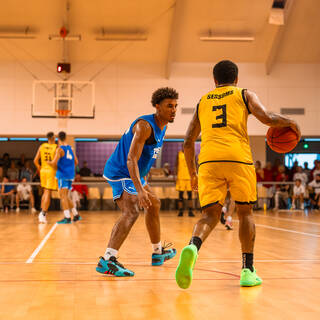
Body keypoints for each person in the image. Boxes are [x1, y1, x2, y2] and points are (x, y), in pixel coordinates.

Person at [175, 60, 300, 289]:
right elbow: (266, 118)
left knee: (210, 216)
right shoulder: (243, 94)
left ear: (214, 81)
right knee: (245, 213)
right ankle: (247, 270)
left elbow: (187, 142)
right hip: (237, 157)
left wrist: (193, 174)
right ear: (236, 79)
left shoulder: (203, 101)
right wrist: (291, 122)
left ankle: (193, 246)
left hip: (209, 160)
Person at [97, 87, 178, 277]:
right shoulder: (145, 126)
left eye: (175, 106)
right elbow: (131, 159)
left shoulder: (163, 125)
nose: (173, 110)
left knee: (154, 204)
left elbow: (145, 157)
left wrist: (143, 181)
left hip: (136, 174)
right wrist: (140, 190)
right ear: (157, 107)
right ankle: (107, 260)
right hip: (121, 172)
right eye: (169, 106)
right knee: (132, 210)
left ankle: (158, 253)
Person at [49, 131, 81, 224]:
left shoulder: (59, 149)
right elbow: (76, 162)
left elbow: (54, 163)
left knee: (62, 196)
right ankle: (76, 215)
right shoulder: (71, 148)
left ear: (58, 139)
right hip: (70, 175)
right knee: (66, 196)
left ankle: (67, 217)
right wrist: (69, 168)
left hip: (62, 175)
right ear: (65, 138)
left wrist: (48, 163)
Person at [33, 132, 58, 223]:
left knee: (45, 192)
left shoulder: (42, 146)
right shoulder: (56, 147)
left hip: (43, 170)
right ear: (53, 138)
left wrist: (40, 168)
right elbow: (55, 163)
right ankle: (43, 213)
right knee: (48, 192)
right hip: (51, 171)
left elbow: (35, 161)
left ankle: (42, 212)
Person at [175, 147, 195, 217]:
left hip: (189, 178)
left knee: (190, 196)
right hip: (180, 177)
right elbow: (176, 165)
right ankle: (180, 211)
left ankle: (190, 211)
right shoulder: (179, 154)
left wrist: (194, 176)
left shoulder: (191, 153)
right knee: (180, 196)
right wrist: (175, 176)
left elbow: (194, 165)